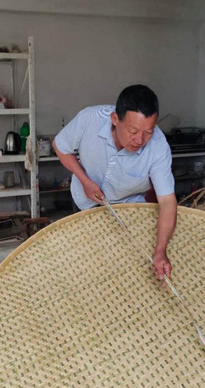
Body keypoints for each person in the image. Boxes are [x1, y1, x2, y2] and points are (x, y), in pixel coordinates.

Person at [53, 84, 177, 279]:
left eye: (148, 132)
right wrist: (85, 180)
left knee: (125, 267)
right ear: (115, 119)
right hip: (84, 202)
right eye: (133, 131)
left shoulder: (158, 147)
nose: (139, 140)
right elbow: (60, 146)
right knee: (86, 264)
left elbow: (167, 201)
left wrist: (161, 250)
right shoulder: (90, 119)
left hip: (129, 210)